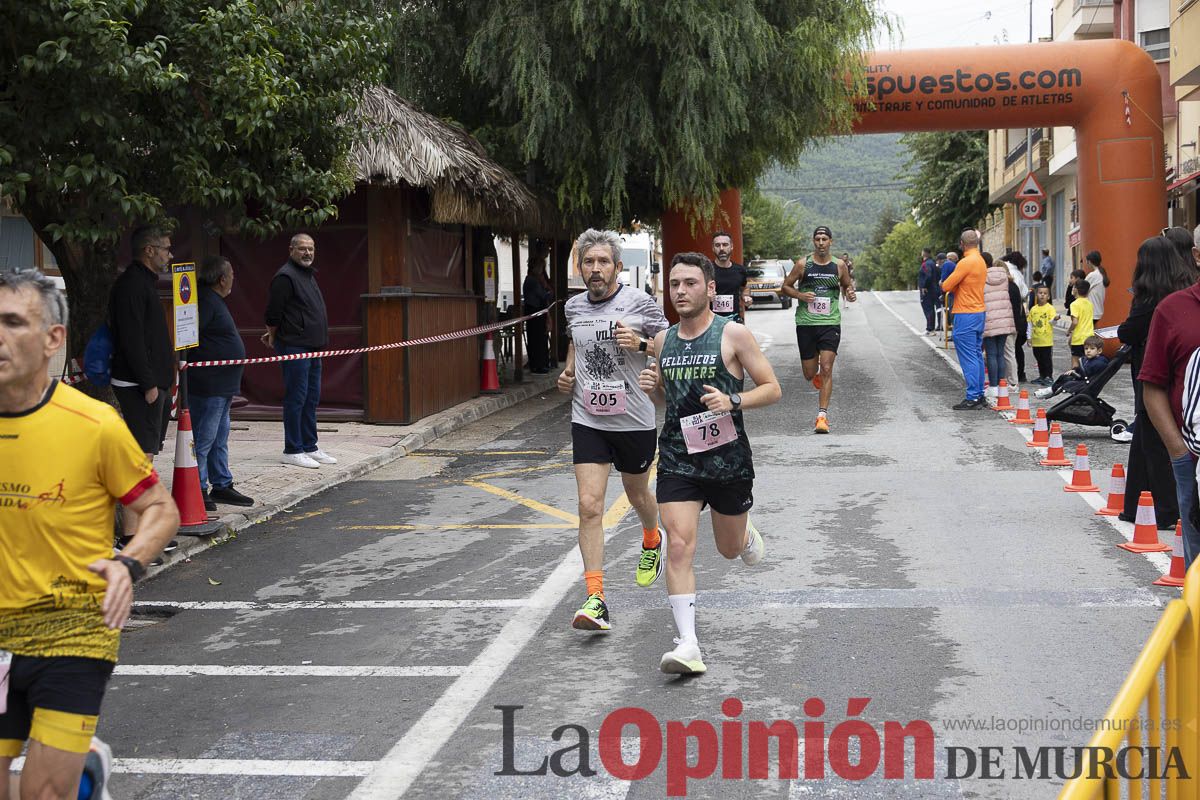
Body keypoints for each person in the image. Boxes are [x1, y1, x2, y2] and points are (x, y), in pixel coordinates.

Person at [0, 268, 179, 800]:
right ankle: (84, 776)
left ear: (53, 339)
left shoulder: (94, 424)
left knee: (43, 794)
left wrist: (128, 564)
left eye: (13, 322)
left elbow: (160, 508)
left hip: (72, 629)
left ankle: (72, 779)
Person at [638, 252, 781, 674]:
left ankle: (744, 534)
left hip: (726, 461)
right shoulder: (662, 341)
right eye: (674, 284)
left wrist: (732, 399)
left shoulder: (732, 334)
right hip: (678, 458)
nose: (680, 291)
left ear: (711, 288)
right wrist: (653, 388)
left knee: (728, 549)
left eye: (690, 283)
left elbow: (772, 388)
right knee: (678, 545)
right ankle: (688, 644)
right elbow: (667, 401)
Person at [558, 229, 669, 631]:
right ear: (580, 267)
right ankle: (596, 598)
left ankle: (653, 536)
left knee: (637, 493)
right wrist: (568, 373)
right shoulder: (573, 307)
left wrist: (640, 344)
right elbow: (576, 344)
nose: (595, 268)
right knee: (589, 506)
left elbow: (671, 343)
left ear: (618, 267)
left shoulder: (639, 302)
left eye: (603, 261)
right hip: (588, 418)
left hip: (634, 419)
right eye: (589, 262)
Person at [1116, 235, 1195, 527]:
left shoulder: (1150, 299)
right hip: (1183, 381)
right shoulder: (1184, 289)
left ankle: (1166, 509)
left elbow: (1128, 332)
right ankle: (1136, 505)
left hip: (1153, 377)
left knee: (1154, 444)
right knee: (1146, 444)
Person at [109, 226, 177, 554]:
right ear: (149, 250)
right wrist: (149, 383)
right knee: (139, 460)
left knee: (145, 459)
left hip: (153, 384)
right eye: (165, 249)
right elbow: (132, 339)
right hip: (138, 385)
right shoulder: (131, 285)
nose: (170, 255)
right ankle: (130, 538)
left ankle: (143, 532)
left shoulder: (146, 283)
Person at [1140, 250, 1200, 567]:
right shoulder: (1172, 310)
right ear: (1198, 256)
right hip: (1193, 458)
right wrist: (1179, 452)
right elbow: (1152, 387)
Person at [263, 233, 335, 470]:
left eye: (311, 248)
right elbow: (273, 314)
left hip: (313, 346)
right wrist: (272, 334)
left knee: (311, 397)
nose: (307, 253)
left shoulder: (307, 274)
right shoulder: (285, 277)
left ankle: (309, 446)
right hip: (295, 345)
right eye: (302, 248)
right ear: (291, 250)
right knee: (296, 397)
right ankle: (293, 449)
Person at [190, 255, 253, 510]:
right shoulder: (205, 301)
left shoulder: (213, 300)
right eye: (232, 276)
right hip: (209, 384)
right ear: (221, 279)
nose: (233, 280)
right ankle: (198, 486)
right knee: (204, 437)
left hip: (223, 384)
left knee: (219, 436)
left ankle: (222, 484)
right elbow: (190, 336)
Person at [781, 226, 857, 432]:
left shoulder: (839, 265)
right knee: (809, 373)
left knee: (827, 368)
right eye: (818, 239)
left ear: (831, 241)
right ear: (813, 241)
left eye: (824, 239)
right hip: (806, 323)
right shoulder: (803, 264)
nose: (821, 243)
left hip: (830, 323)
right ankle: (816, 374)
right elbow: (785, 286)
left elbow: (846, 285)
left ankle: (822, 417)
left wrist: (850, 293)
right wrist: (800, 295)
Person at [941, 230, 987, 409]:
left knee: (968, 357)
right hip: (979, 311)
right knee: (976, 354)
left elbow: (946, 285)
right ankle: (979, 394)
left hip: (965, 312)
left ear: (962, 244)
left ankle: (973, 396)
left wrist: (948, 285)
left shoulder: (965, 262)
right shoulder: (981, 260)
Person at [982, 252, 1015, 399]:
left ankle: (994, 387)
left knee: (991, 354)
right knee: (1000, 353)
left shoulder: (982, 277)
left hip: (989, 319)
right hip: (1004, 318)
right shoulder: (1003, 276)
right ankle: (1002, 386)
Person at [1035, 335, 1109, 399]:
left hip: (1087, 384)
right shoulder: (1087, 359)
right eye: (1086, 348)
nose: (1088, 351)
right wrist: (1074, 370)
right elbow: (1080, 369)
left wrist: (1076, 373)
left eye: (1092, 349)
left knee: (1068, 382)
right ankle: (1052, 390)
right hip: (1082, 380)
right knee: (1064, 376)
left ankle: (1052, 390)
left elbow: (1086, 373)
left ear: (1099, 351)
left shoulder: (1099, 363)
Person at [522, 246, 554, 374]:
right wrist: (548, 289)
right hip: (534, 311)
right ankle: (538, 364)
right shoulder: (532, 281)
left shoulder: (532, 280)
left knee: (540, 338)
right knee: (537, 339)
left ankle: (541, 363)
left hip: (537, 311)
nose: (541, 270)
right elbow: (544, 295)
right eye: (540, 267)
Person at [710, 230, 751, 322]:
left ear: (731, 246)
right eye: (717, 245)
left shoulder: (740, 270)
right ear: (713, 248)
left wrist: (746, 296)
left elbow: (745, 287)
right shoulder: (706, 270)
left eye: (725, 245)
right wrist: (706, 297)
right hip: (711, 321)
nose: (721, 248)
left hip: (734, 319)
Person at [1028, 286, 1059, 386]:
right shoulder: (1033, 309)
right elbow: (1030, 324)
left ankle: (1049, 377)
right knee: (1039, 360)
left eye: (1045, 293)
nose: (1042, 295)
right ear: (1036, 295)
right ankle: (1042, 376)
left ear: (1048, 296)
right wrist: (1029, 337)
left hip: (1046, 341)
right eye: (1040, 293)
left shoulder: (1050, 308)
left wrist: (1055, 319)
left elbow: (1052, 323)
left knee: (1047, 360)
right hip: (1036, 340)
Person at [1007, 267, 1028, 385]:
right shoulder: (1014, 285)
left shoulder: (1009, 287)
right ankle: (1020, 374)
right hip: (1019, 322)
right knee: (1016, 349)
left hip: (1014, 324)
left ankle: (1016, 376)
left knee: (1012, 351)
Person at [1068, 278, 1095, 369]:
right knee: (1087, 362)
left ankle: (1076, 377)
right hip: (1089, 337)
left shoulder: (1074, 304)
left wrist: (1069, 330)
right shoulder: (1090, 304)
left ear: (1076, 290)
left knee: (1075, 362)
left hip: (1078, 338)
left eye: (1073, 287)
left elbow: (1075, 322)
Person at [1083, 250, 1108, 324]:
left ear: (1089, 262)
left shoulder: (1093, 275)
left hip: (1092, 310)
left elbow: (1081, 288)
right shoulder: (1101, 273)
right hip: (1098, 310)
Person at [917, 247, 938, 333]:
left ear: (924, 253)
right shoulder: (932, 262)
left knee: (928, 308)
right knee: (930, 309)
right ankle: (931, 328)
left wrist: (924, 286)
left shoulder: (926, 264)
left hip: (927, 290)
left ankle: (930, 328)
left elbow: (928, 275)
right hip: (933, 288)